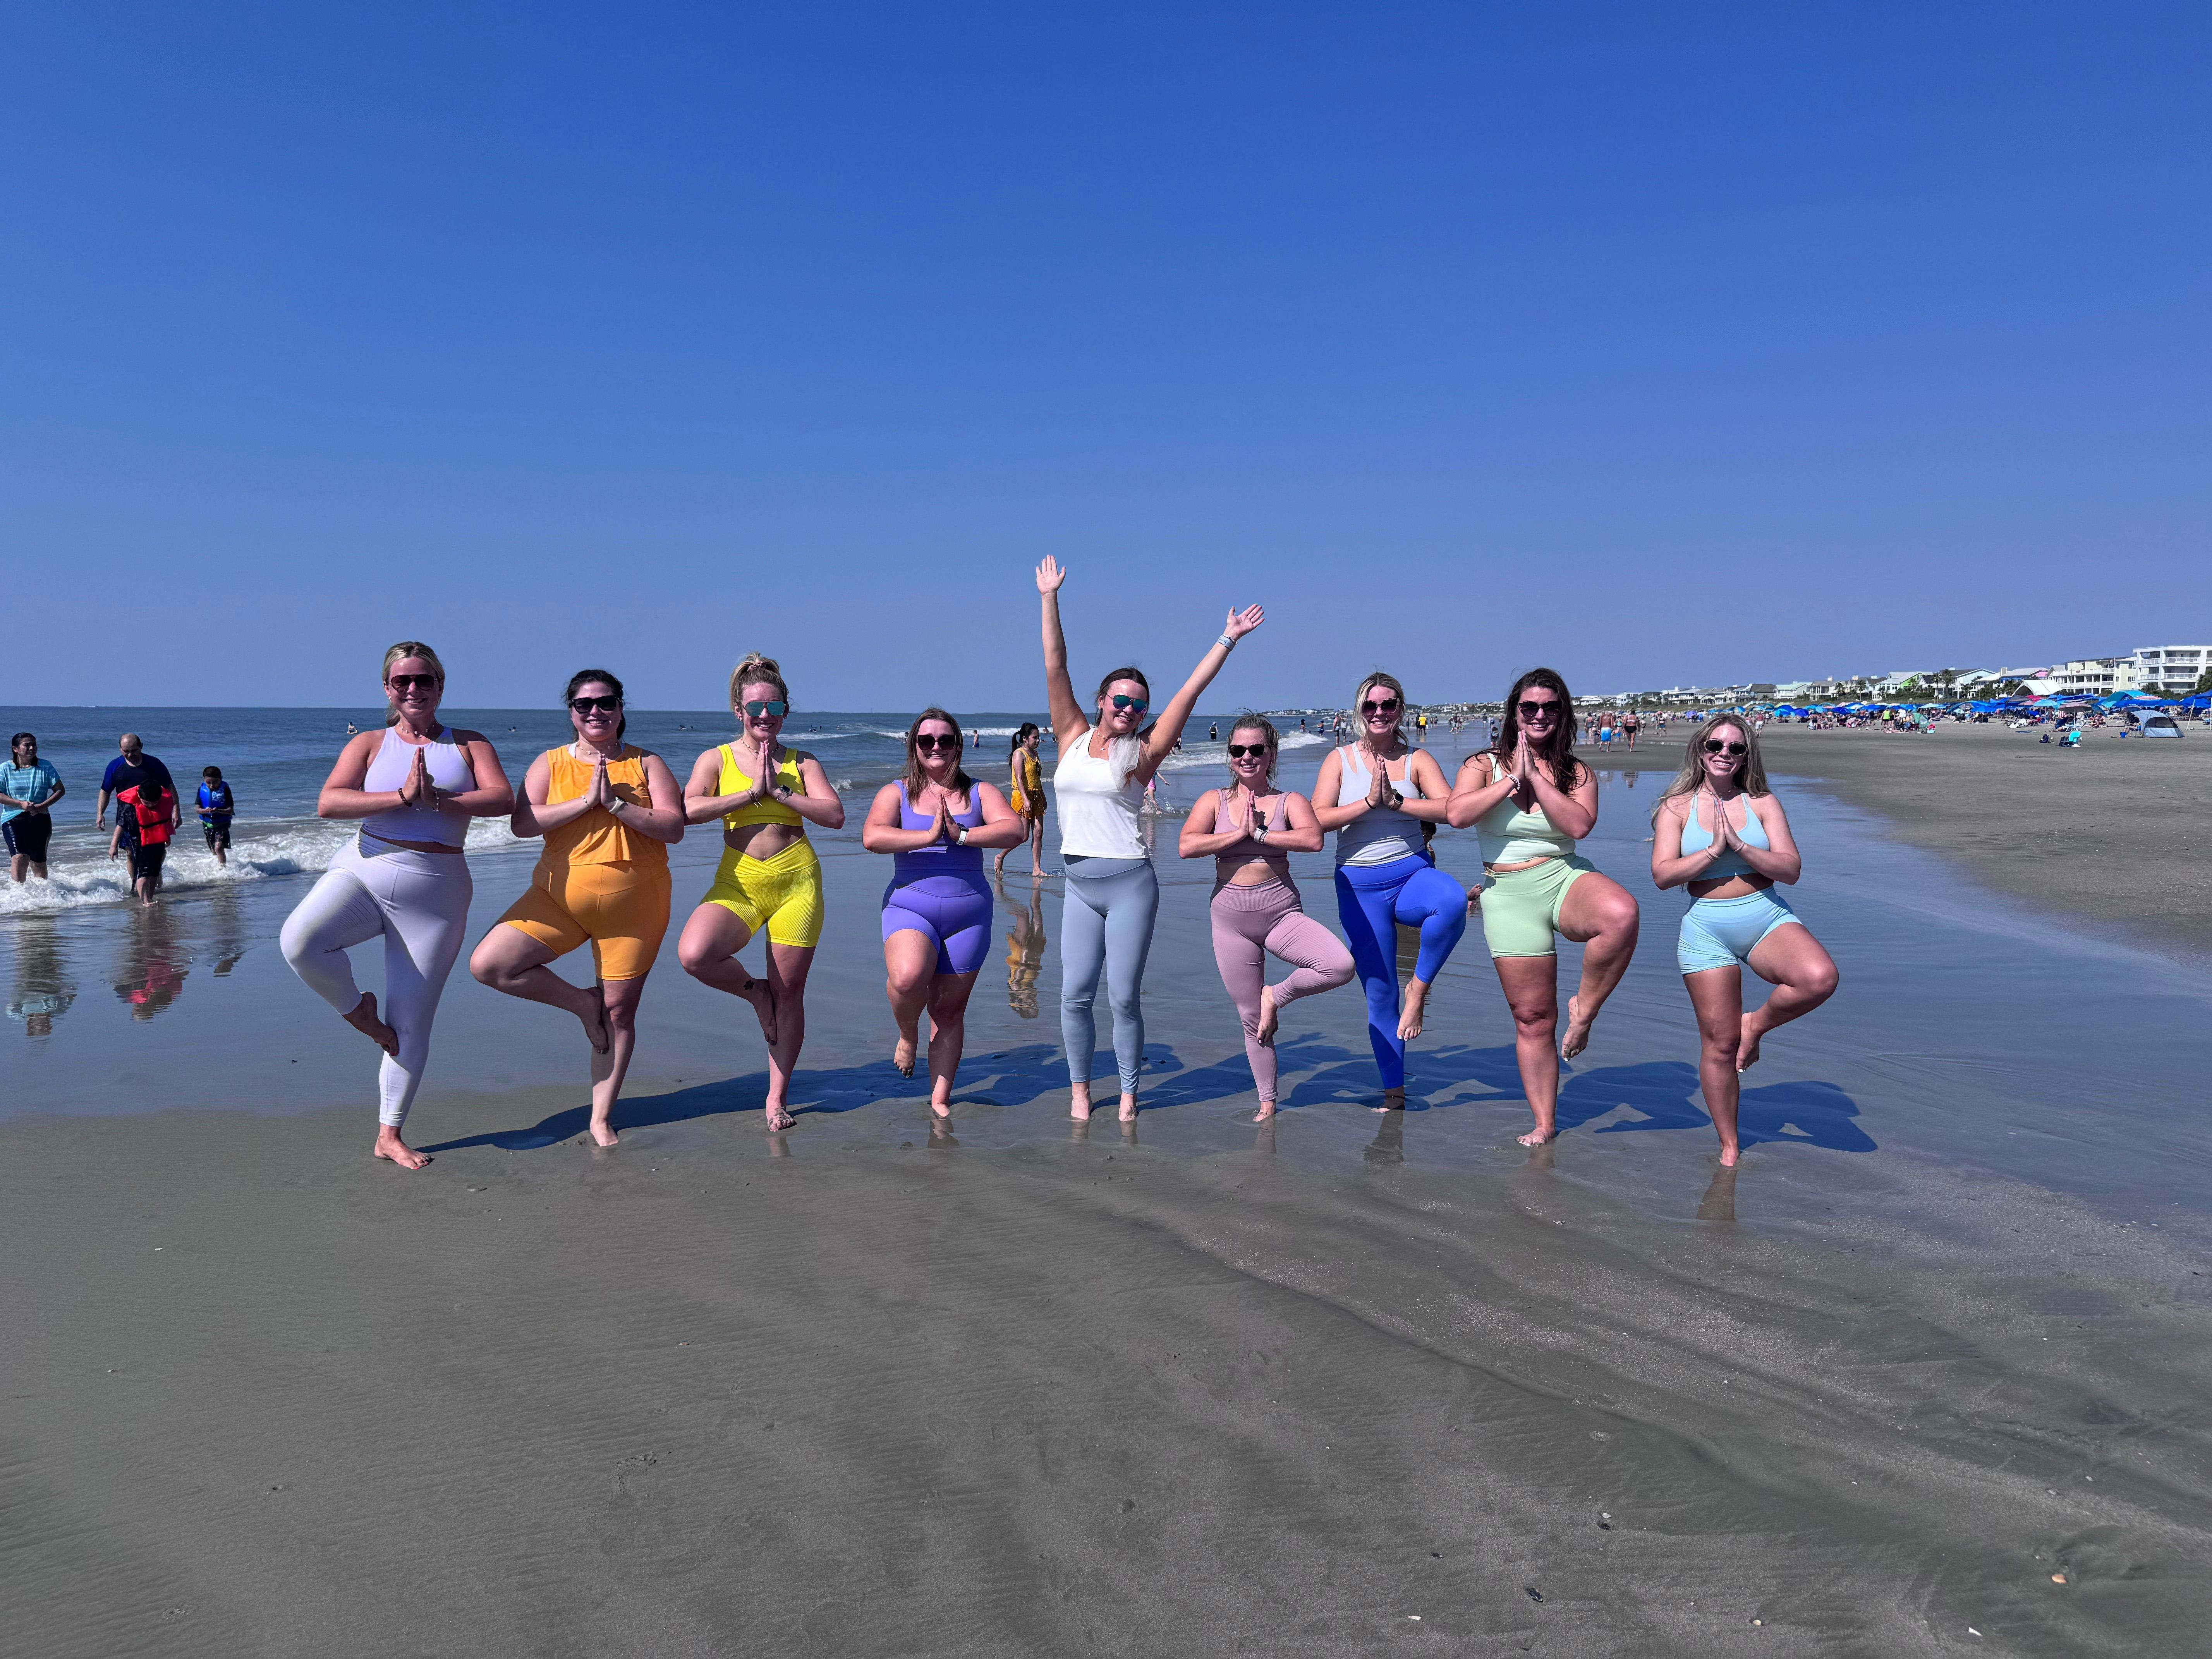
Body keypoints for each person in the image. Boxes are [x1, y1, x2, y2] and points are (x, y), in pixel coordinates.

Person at [1035, 555, 1264, 1122]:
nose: (1130, 710)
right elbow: (1055, 665)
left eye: (1139, 705)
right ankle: (1081, 1091)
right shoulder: (1070, 736)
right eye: (1121, 700)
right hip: (1078, 882)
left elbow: (1189, 692)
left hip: (1129, 884)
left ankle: (1129, 1093)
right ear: (1101, 701)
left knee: (1122, 997)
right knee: (1074, 995)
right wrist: (1049, 598)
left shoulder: (1143, 751)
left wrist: (1228, 638)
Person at [280, 642, 513, 1169]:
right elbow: (329, 802)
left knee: (412, 1022)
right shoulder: (369, 743)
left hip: (437, 892)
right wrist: (403, 797)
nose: (413, 689)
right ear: (387, 689)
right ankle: (359, 1013)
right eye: (402, 681)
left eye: (423, 680)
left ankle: (389, 1135)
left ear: (440, 686)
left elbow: (503, 799)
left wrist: (440, 799)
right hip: (365, 869)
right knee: (300, 941)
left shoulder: (470, 743)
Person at [469, 670, 685, 1147]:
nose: (595, 712)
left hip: (636, 907)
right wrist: (588, 801)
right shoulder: (550, 763)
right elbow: (523, 824)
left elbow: (674, 827)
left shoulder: (648, 763)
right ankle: (583, 1004)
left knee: (620, 1012)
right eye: (584, 704)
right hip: (557, 899)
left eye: (605, 702)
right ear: (571, 712)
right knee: (490, 965)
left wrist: (618, 806)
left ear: (621, 708)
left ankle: (601, 1118)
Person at [1446, 668, 1641, 1146]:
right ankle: (1545, 1123)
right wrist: (1513, 778)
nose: (1539, 715)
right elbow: (1457, 815)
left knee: (1621, 914)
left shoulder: (1577, 771)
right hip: (1508, 892)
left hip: (1562, 875)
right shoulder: (1482, 764)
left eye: (1550, 707)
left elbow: (1579, 826)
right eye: (1529, 707)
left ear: (1563, 713)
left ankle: (1586, 1009)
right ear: (1514, 713)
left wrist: (1538, 777)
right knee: (1534, 1019)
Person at [1650, 716, 1838, 1166]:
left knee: (1819, 978)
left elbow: (1791, 870)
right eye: (1715, 745)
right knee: (1718, 1046)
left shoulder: (1763, 802)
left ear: (1746, 757)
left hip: (1765, 914)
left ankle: (1754, 1026)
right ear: (1700, 750)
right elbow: (1662, 875)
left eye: (1736, 748)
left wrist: (1741, 846)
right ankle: (1730, 1148)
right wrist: (1713, 851)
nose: (1724, 754)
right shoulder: (1675, 807)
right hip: (1706, 928)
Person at [677, 654, 845, 1132]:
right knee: (695, 954)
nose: (765, 715)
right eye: (755, 708)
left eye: (775, 706)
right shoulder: (716, 758)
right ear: (739, 711)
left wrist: (782, 794)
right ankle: (756, 995)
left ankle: (777, 1098)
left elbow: (835, 816)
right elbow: (689, 810)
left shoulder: (803, 762)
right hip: (739, 881)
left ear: (786, 710)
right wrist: (752, 793)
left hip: (797, 881)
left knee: (790, 995)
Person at [1178, 715, 1354, 1121]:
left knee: (1340, 966)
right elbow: (1187, 846)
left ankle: (1276, 995)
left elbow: (1313, 839)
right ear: (1229, 755)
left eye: (1256, 749)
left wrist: (1261, 835)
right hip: (1231, 921)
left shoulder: (1289, 801)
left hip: (1280, 914)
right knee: (1250, 1018)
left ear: (1271, 755)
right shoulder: (1213, 800)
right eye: (1238, 750)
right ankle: (1268, 1102)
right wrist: (1238, 834)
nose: (1247, 757)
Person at [1311, 673, 1465, 1109]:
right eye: (1371, 705)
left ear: (1401, 709)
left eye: (1389, 704)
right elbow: (1316, 819)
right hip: (1359, 885)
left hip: (1411, 874)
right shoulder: (1340, 760)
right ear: (1360, 711)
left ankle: (1419, 989)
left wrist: (1398, 802)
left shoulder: (1417, 760)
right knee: (1381, 994)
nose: (1379, 712)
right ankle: (1395, 1094)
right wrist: (1367, 803)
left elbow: (1450, 809)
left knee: (1453, 901)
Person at [863, 709, 1026, 1116]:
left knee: (949, 1010)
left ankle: (940, 1100)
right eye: (927, 740)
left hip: (969, 913)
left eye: (945, 740)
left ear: (958, 746)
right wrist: (928, 836)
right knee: (907, 978)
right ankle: (908, 1034)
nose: (936, 747)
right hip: (909, 905)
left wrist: (962, 835)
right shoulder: (896, 792)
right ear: (914, 746)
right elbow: (872, 836)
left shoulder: (979, 791)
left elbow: (1015, 830)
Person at [97, 735, 178, 895]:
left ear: (142, 746)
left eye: (134, 750)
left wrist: (176, 810)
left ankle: (155, 872)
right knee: (130, 851)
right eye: (126, 751)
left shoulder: (154, 764)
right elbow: (105, 791)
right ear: (120, 749)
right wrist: (100, 813)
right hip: (128, 817)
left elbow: (170, 787)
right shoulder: (115, 766)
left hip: (154, 817)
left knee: (158, 850)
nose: (130, 754)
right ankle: (138, 886)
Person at [2, 733, 64, 883]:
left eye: (34, 745)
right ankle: (19, 892)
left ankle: (42, 894)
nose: (32, 748)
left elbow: (60, 790)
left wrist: (42, 806)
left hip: (40, 817)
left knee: (39, 862)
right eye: (27, 745)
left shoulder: (46, 766)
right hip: (13, 818)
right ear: (16, 749)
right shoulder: (5, 769)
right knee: (19, 857)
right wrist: (20, 804)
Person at [996, 723, 1047, 877]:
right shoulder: (1019, 754)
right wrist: (1025, 799)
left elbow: (1036, 778)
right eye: (1035, 738)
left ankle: (1037, 869)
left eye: (1039, 738)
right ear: (1025, 739)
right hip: (1022, 796)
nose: (1038, 741)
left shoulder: (1035, 754)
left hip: (1037, 796)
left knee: (1038, 833)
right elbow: (1019, 778)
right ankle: (1000, 856)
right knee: (1023, 837)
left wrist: (1043, 797)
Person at [196, 766, 235, 869]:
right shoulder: (202, 789)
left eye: (215, 783)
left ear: (221, 779)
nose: (212, 786)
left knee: (219, 848)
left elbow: (231, 810)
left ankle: (223, 870)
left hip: (223, 824)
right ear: (204, 780)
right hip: (207, 824)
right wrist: (205, 811)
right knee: (214, 850)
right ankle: (217, 867)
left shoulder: (225, 790)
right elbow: (197, 809)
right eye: (208, 783)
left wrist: (218, 811)